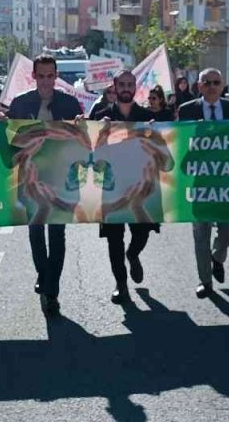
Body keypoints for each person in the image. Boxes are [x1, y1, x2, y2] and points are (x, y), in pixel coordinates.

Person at [0, 55, 84, 317]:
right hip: (30, 179)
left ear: (56, 76)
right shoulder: (21, 103)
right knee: (36, 233)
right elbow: (10, 143)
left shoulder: (70, 104)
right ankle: (43, 274)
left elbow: (81, 144)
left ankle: (51, 291)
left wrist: (82, 127)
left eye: (50, 76)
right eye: (41, 75)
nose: (46, 81)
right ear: (33, 76)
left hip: (61, 181)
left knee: (57, 235)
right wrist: (1, 125)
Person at [89, 70, 159, 305]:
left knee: (143, 231)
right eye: (122, 84)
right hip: (111, 189)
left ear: (135, 87)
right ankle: (121, 285)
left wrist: (155, 133)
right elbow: (90, 154)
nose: (127, 88)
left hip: (142, 187)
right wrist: (99, 131)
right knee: (114, 239)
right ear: (115, 87)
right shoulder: (101, 116)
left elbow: (163, 151)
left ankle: (134, 254)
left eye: (131, 84)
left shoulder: (148, 116)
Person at [178, 68, 229, 299]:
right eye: (207, 82)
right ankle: (205, 281)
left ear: (223, 85)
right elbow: (179, 145)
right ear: (199, 86)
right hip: (200, 183)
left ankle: (218, 257)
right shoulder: (187, 111)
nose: (212, 86)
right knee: (200, 233)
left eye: (216, 82)